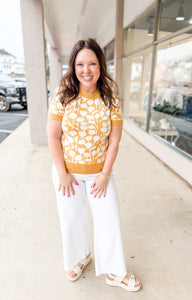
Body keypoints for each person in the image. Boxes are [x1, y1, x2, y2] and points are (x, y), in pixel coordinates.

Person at [46, 38, 141, 292]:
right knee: (71, 219)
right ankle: (79, 257)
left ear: (100, 65)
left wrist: (105, 174)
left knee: (109, 219)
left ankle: (114, 272)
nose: (85, 70)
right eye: (80, 64)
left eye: (91, 63)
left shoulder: (110, 96)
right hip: (67, 175)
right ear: (73, 66)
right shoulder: (63, 93)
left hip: (99, 174)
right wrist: (62, 173)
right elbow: (52, 136)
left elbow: (115, 140)